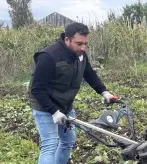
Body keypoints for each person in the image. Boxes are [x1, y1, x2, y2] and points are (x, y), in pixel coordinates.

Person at [27, 22, 116, 164]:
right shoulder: (49, 56)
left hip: (65, 105)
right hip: (44, 105)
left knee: (68, 141)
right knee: (50, 144)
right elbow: (36, 89)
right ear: (67, 40)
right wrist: (54, 112)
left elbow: (89, 74)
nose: (83, 48)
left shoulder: (81, 55)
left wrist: (104, 92)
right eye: (79, 43)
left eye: (85, 44)